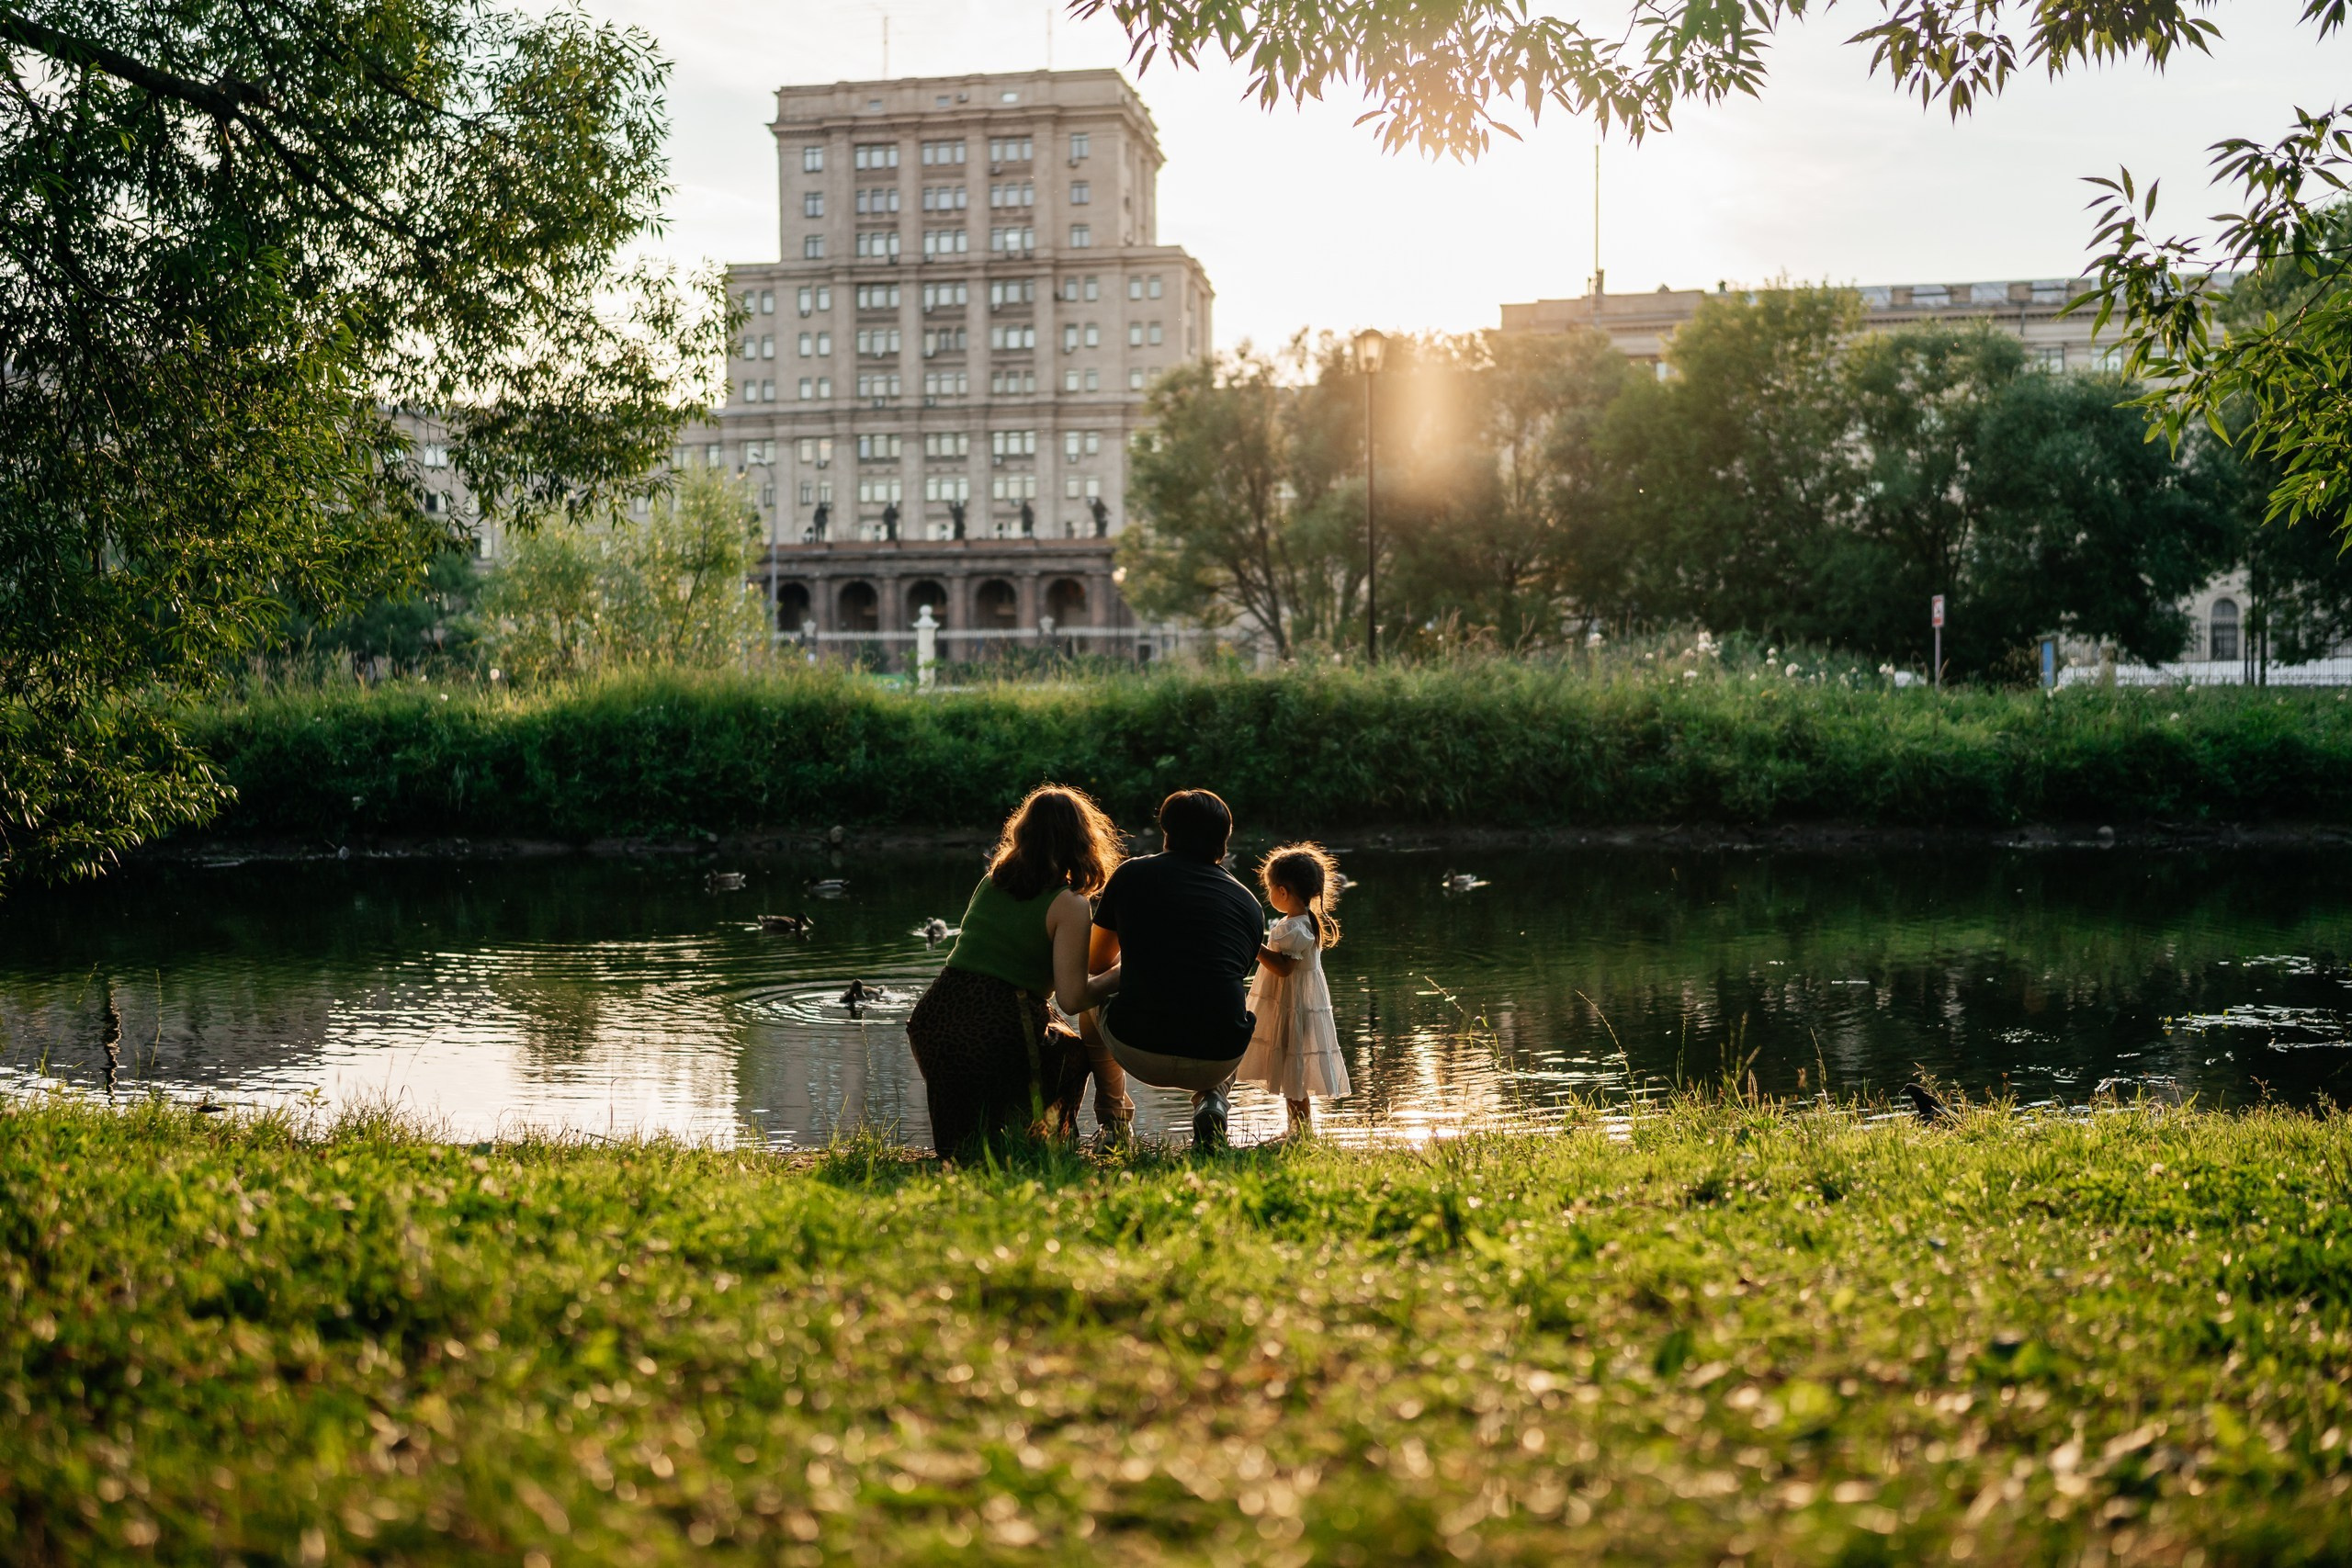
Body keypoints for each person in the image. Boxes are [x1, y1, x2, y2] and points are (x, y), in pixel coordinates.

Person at [905, 784, 1124, 1156]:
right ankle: (1046, 1145)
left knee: (973, 1136)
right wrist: (1122, 973)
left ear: (1023, 832)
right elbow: (1072, 999)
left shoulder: (992, 880)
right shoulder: (1069, 903)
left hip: (934, 1021)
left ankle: (991, 1140)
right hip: (997, 1024)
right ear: (1084, 840)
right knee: (1072, 1052)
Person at [1086, 789, 1265, 1146]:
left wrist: (1139, 960)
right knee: (1226, 995)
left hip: (1138, 1048)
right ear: (1225, 840)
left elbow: (1096, 962)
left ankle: (1114, 1122)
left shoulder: (1132, 874)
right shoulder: (1248, 903)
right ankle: (1213, 1098)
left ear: (1166, 829)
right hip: (1219, 1057)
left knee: (1089, 997)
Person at [1235, 843, 1351, 1136]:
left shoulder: (1294, 928)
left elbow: (1284, 968)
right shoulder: (1302, 922)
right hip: (1295, 1002)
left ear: (1283, 891)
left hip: (1294, 1005)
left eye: (1270, 888)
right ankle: (1298, 1129)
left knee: (1294, 1067)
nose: (1269, 894)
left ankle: (1300, 1131)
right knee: (1292, 1066)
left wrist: (1254, 945)